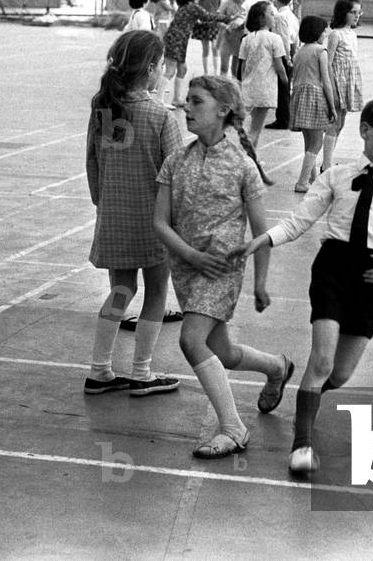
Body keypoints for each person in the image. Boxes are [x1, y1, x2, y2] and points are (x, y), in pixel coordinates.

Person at [241, 97, 373, 474]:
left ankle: (308, 400)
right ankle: (302, 443)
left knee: (338, 375)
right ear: (364, 129)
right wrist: (266, 238)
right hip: (333, 268)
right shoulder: (335, 176)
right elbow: (300, 219)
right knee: (321, 360)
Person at [153, 75, 294, 459]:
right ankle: (277, 367)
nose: (186, 107)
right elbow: (160, 223)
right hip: (186, 268)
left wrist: (260, 283)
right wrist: (190, 255)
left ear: (223, 110)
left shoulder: (242, 167)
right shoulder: (175, 160)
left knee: (190, 340)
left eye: (196, 102)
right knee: (224, 352)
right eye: (187, 101)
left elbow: (263, 232)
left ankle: (233, 428)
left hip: (222, 272)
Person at [84, 30, 183, 396]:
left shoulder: (106, 108)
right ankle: (142, 372)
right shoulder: (160, 116)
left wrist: (104, 203)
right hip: (154, 222)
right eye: (161, 66)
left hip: (115, 217)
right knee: (157, 293)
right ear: (152, 69)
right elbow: (176, 176)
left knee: (120, 292)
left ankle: (100, 370)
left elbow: (93, 163)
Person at [163, 0, 232, 108]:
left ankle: (177, 99)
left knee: (182, 69)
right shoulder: (193, 7)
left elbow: (200, 21)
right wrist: (227, 18)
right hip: (177, 41)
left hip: (177, 40)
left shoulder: (185, 7)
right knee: (170, 70)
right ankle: (158, 99)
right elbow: (207, 16)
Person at [289, 15, 335, 192]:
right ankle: (302, 182)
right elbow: (326, 81)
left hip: (299, 94)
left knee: (308, 141)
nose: (325, 34)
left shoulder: (300, 51)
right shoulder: (320, 51)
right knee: (317, 141)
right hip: (314, 95)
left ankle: (312, 178)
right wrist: (332, 106)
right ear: (318, 32)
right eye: (324, 31)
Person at [237, 0, 287, 146]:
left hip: (249, 86)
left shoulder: (246, 39)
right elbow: (279, 65)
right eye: (271, 14)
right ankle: (249, 158)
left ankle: (253, 155)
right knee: (256, 128)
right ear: (261, 18)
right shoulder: (275, 39)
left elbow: (243, 66)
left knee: (253, 125)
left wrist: (242, 83)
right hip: (266, 89)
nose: (274, 17)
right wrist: (285, 81)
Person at [322, 0, 363, 171]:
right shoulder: (335, 35)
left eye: (359, 12)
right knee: (334, 122)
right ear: (343, 13)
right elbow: (328, 63)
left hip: (349, 82)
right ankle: (326, 163)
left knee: (341, 122)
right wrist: (332, 89)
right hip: (338, 82)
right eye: (353, 12)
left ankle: (328, 160)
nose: (357, 15)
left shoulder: (352, 34)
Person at [265, 0, 299, 131]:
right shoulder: (292, 16)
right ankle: (286, 117)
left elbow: (282, 38)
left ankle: (283, 119)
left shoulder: (279, 16)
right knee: (286, 86)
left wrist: (285, 58)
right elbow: (295, 38)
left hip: (283, 52)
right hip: (292, 50)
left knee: (282, 87)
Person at [191, 0, 222, 75]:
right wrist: (197, 18)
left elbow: (222, 8)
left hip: (215, 23)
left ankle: (216, 72)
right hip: (203, 23)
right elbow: (196, 5)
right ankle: (206, 72)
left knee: (215, 47)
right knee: (206, 48)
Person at [217, 0, 247, 78]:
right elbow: (218, 20)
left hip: (240, 39)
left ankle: (234, 88)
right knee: (224, 67)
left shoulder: (246, 4)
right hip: (227, 38)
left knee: (236, 69)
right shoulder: (226, 3)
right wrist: (226, 27)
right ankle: (222, 87)